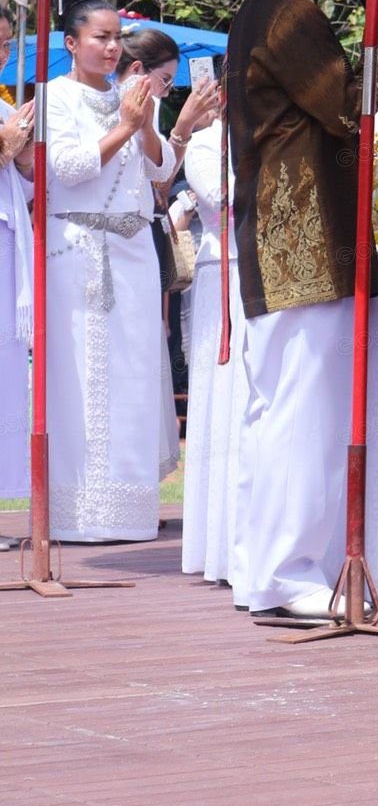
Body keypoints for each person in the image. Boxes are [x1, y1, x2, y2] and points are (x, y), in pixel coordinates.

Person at [225, 0, 378, 620]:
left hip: (290, 236)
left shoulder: (273, 6)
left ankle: (268, 567)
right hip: (298, 238)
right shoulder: (286, 13)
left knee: (284, 407)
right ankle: (290, 571)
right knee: (301, 409)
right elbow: (348, 104)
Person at [46, 0, 179, 541]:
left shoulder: (134, 92)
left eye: (116, 37)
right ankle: (80, 515)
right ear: (72, 44)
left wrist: (144, 122)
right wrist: (125, 125)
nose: (110, 46)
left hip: (133, 251)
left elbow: (163, 166)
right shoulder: (55, 96)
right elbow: (69, 166)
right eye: (99, 37)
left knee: (136, 373)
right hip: (78, 250)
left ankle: (129, 508)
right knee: (83, 375)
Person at [114, 29, 221, 481]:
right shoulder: (130, 106)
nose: (168, 89)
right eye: (165, 79)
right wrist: (185, 128)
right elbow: (161, 182)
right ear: (138, 71)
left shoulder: (150, 108)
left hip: (142, 239)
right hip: (119, 239)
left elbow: (157, 174)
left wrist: (178, 128)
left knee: (146, 358)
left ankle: (136, 476)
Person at [181, 112, 249, 587]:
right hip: (224, 270)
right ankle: (221, 542)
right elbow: (221, 196)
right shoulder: (205, 143)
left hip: (271, 271)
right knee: (227, 398)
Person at [0, 87, 33, 516]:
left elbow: (20, 188)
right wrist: (6, 142)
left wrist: (22, 156)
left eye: (6, 45)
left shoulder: (5, 105)